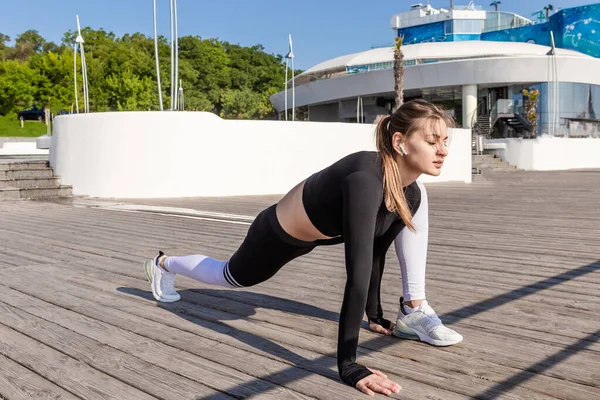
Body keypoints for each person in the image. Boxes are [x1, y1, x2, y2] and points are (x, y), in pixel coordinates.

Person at [143, 99, 462, 396]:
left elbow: (377, 249)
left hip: (317, 235)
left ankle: (411, 310)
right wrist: (349, 366)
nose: (443, 151)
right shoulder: (365, 180)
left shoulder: (409, 192)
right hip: (275, 236)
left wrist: (374, 315)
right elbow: (358, 274)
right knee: (229, 276)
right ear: (400, 143)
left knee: (414, 203)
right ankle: (164, 264)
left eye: (445, 141)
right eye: (432, 141)